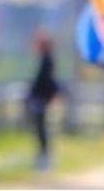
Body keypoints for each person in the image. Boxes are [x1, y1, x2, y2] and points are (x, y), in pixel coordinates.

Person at [27, 32, 60, 171]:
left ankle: (45, 158)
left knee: (41, 128)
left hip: (41, 99)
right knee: (40, 128)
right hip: (40, 98)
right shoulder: (45, 60)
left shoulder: (47, 61)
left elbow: (46, 81)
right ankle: (43, 156)